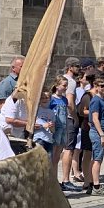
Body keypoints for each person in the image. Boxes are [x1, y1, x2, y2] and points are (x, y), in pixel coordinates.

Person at [59, 57, 82, 191]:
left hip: (62, 117)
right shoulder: (71, 82)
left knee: (62, 149)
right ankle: (66, 179)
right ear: (70, 67)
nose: (79, 69)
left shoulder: (61, 78)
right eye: (77, 66)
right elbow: (70, 102)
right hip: (68, 117)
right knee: (69, 149)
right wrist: (75, 117)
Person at [88, 77, 104, 196]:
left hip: (102, 131)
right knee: (98, 159)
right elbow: (95, 119)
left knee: (95, 157)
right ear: (96, 87)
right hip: (98, 132)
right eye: (102, 86)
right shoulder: (96, 100)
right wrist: (101, 134)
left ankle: (91, 183)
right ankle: (96, 186)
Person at [49, 75, 68, 170]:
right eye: (64, 85)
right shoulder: (51, 99)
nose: (66, 88)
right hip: (56, 128)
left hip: (63, 128)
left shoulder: (64, 99)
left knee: (57, 156)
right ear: (57, 86)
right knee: (53, 154)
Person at [33, 91, 55, 155]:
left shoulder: (51, 112)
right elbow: (31, 126)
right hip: (39, 139)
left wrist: (51, 127)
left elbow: (53, 130)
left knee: (49, 162)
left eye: (47, 98)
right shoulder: (36, 110)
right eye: (42, 98)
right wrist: (42, 125)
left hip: (49, 140)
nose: (45, 99)